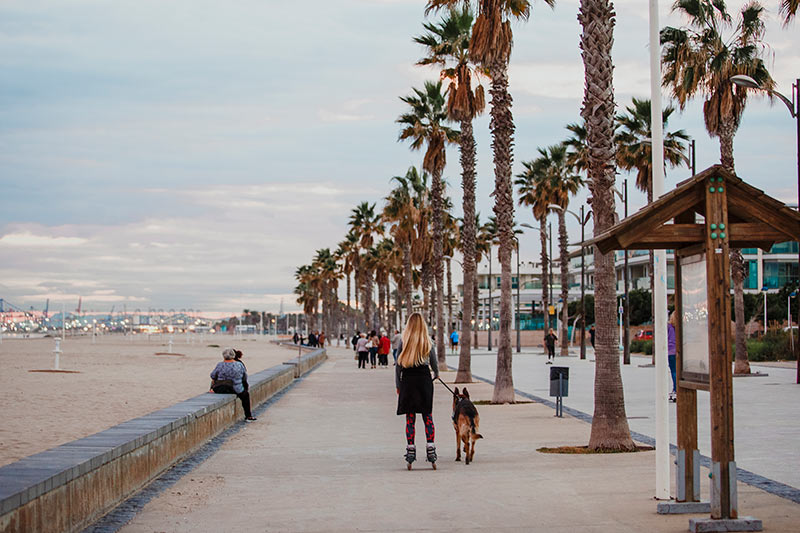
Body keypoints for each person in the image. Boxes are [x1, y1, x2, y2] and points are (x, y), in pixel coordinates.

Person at [395, 312, 439, 468]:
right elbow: (434, 365)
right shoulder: (428, 342)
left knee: (410, 418)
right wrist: (435, 376)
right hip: (424, 379)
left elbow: (398, 366)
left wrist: (398, 386)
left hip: (408, 380)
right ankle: (431, 447)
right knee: (427, 416)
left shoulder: (403, 341)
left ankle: (411, 449)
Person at [210, 348, 256, 421]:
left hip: (220, 388)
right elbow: (244, 377)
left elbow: (213, 376)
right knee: (245, 395)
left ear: (223, 356)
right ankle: (248, 416)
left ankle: (211, 390)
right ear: (233, 355)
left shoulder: (220, 365)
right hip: (235, 389)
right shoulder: (239, 365)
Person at [667, 311, 677, 402]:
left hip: (671, 351)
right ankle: (675, 389)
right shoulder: (681, 327)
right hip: (679, 351)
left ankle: (676, 389)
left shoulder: (669, 327)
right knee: (678, 371)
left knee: (674, 371)